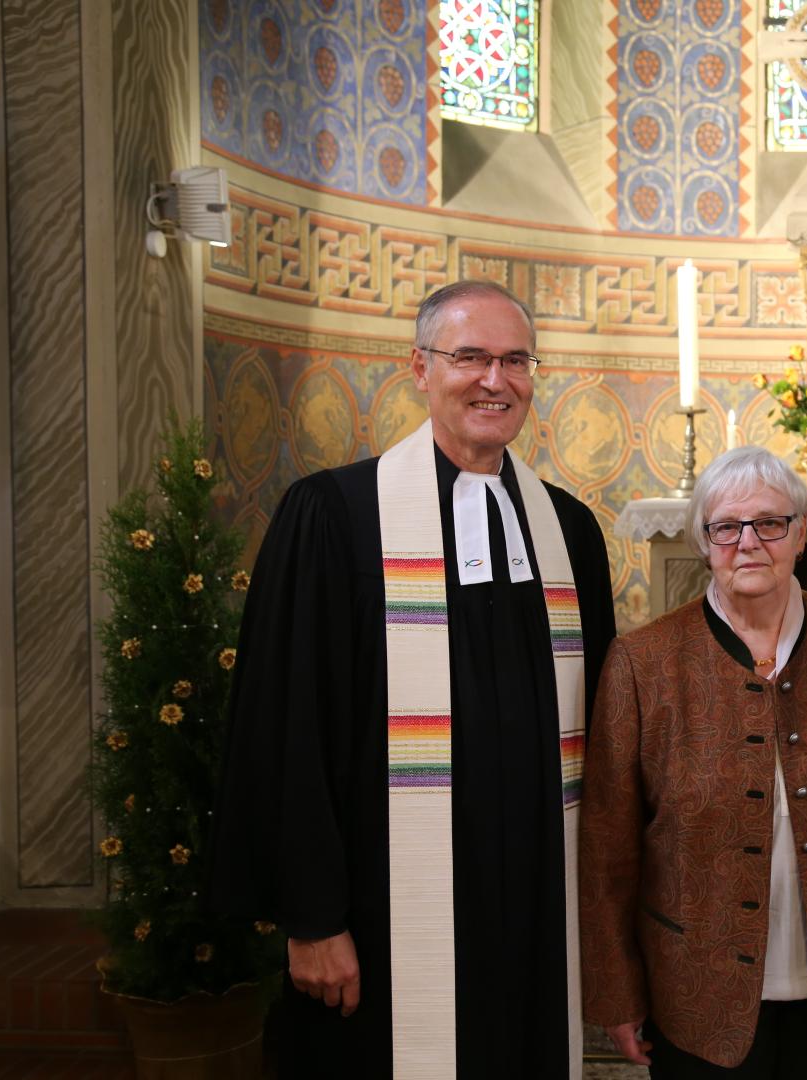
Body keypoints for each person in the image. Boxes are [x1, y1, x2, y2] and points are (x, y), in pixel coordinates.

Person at [210, 280, 616, 1076]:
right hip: (384, 920)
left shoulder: (568, 532)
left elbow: (601, 733)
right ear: (420, 367)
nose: (494, 380)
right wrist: (312, 919)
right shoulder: (333, 518)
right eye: (469, 356)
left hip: (537, 917)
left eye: (514, 360)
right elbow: (287, 731)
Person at [580, 446, 807, 1079]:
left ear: (800, 535)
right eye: (726, 527)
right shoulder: (644, 661)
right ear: (703, 541)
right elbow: (607, 844)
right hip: (695, 995)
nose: (747, 542)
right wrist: (616, 993)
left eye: (770, 523)